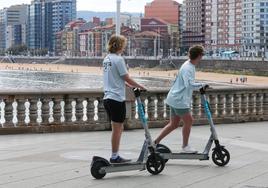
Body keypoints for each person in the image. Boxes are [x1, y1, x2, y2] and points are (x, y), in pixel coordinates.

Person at [154, 45, 206, 153]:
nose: (202, 57)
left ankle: (154, 143)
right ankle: (185, 146)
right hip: (179, 100)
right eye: (202, 55)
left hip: (174, 97)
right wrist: (202, 85)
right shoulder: (188, 68)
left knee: (173, 124)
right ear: (199, 56)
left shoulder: (188, 64)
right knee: (189, 121)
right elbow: (189, 85)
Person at [103, 35, 146, 163]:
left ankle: (115, 154)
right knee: (117, 129)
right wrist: (140, 86)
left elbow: (116, 77)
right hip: (116, 98)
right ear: (119, 45)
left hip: (107, 98)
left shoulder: (106, 59)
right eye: (124, 44)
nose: (124, 47)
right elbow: (126, 77)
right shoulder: (118, 59)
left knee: (116, 128)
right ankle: (115, 156)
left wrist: (127, 85)